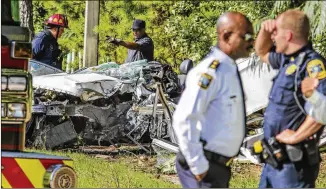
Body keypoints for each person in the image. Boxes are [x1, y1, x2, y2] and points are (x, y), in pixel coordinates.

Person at [172, 12, 254, 188]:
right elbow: (184, 119)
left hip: (218, 166)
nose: (251, 42)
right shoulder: (209, 73)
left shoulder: (229, 69)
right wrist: (198, 165)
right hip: (203, 166)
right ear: (226, 36)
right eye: (246, 36)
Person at [255, 9, 326, 188]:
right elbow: (262, 52)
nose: (273, 37)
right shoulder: (288, 60)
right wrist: (265, 30)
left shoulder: (313, 65)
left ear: (288, 35)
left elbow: (323, 109)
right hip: (273, 160)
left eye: (276, 33)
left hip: (294, 165)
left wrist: (296, 137)